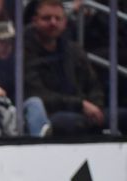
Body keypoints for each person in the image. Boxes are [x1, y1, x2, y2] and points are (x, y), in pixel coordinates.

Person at [24, 0, 125, 136]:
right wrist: (80, 105)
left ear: (65, 22)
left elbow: (94, 85)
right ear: (35, 21)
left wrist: (96, 106)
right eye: (46, 18)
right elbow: (37, 95)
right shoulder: (24, 52)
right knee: (68, 123)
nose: (53, 23)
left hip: (83, 110)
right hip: (53, 114)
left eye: (58, 18)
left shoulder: (74, 50)